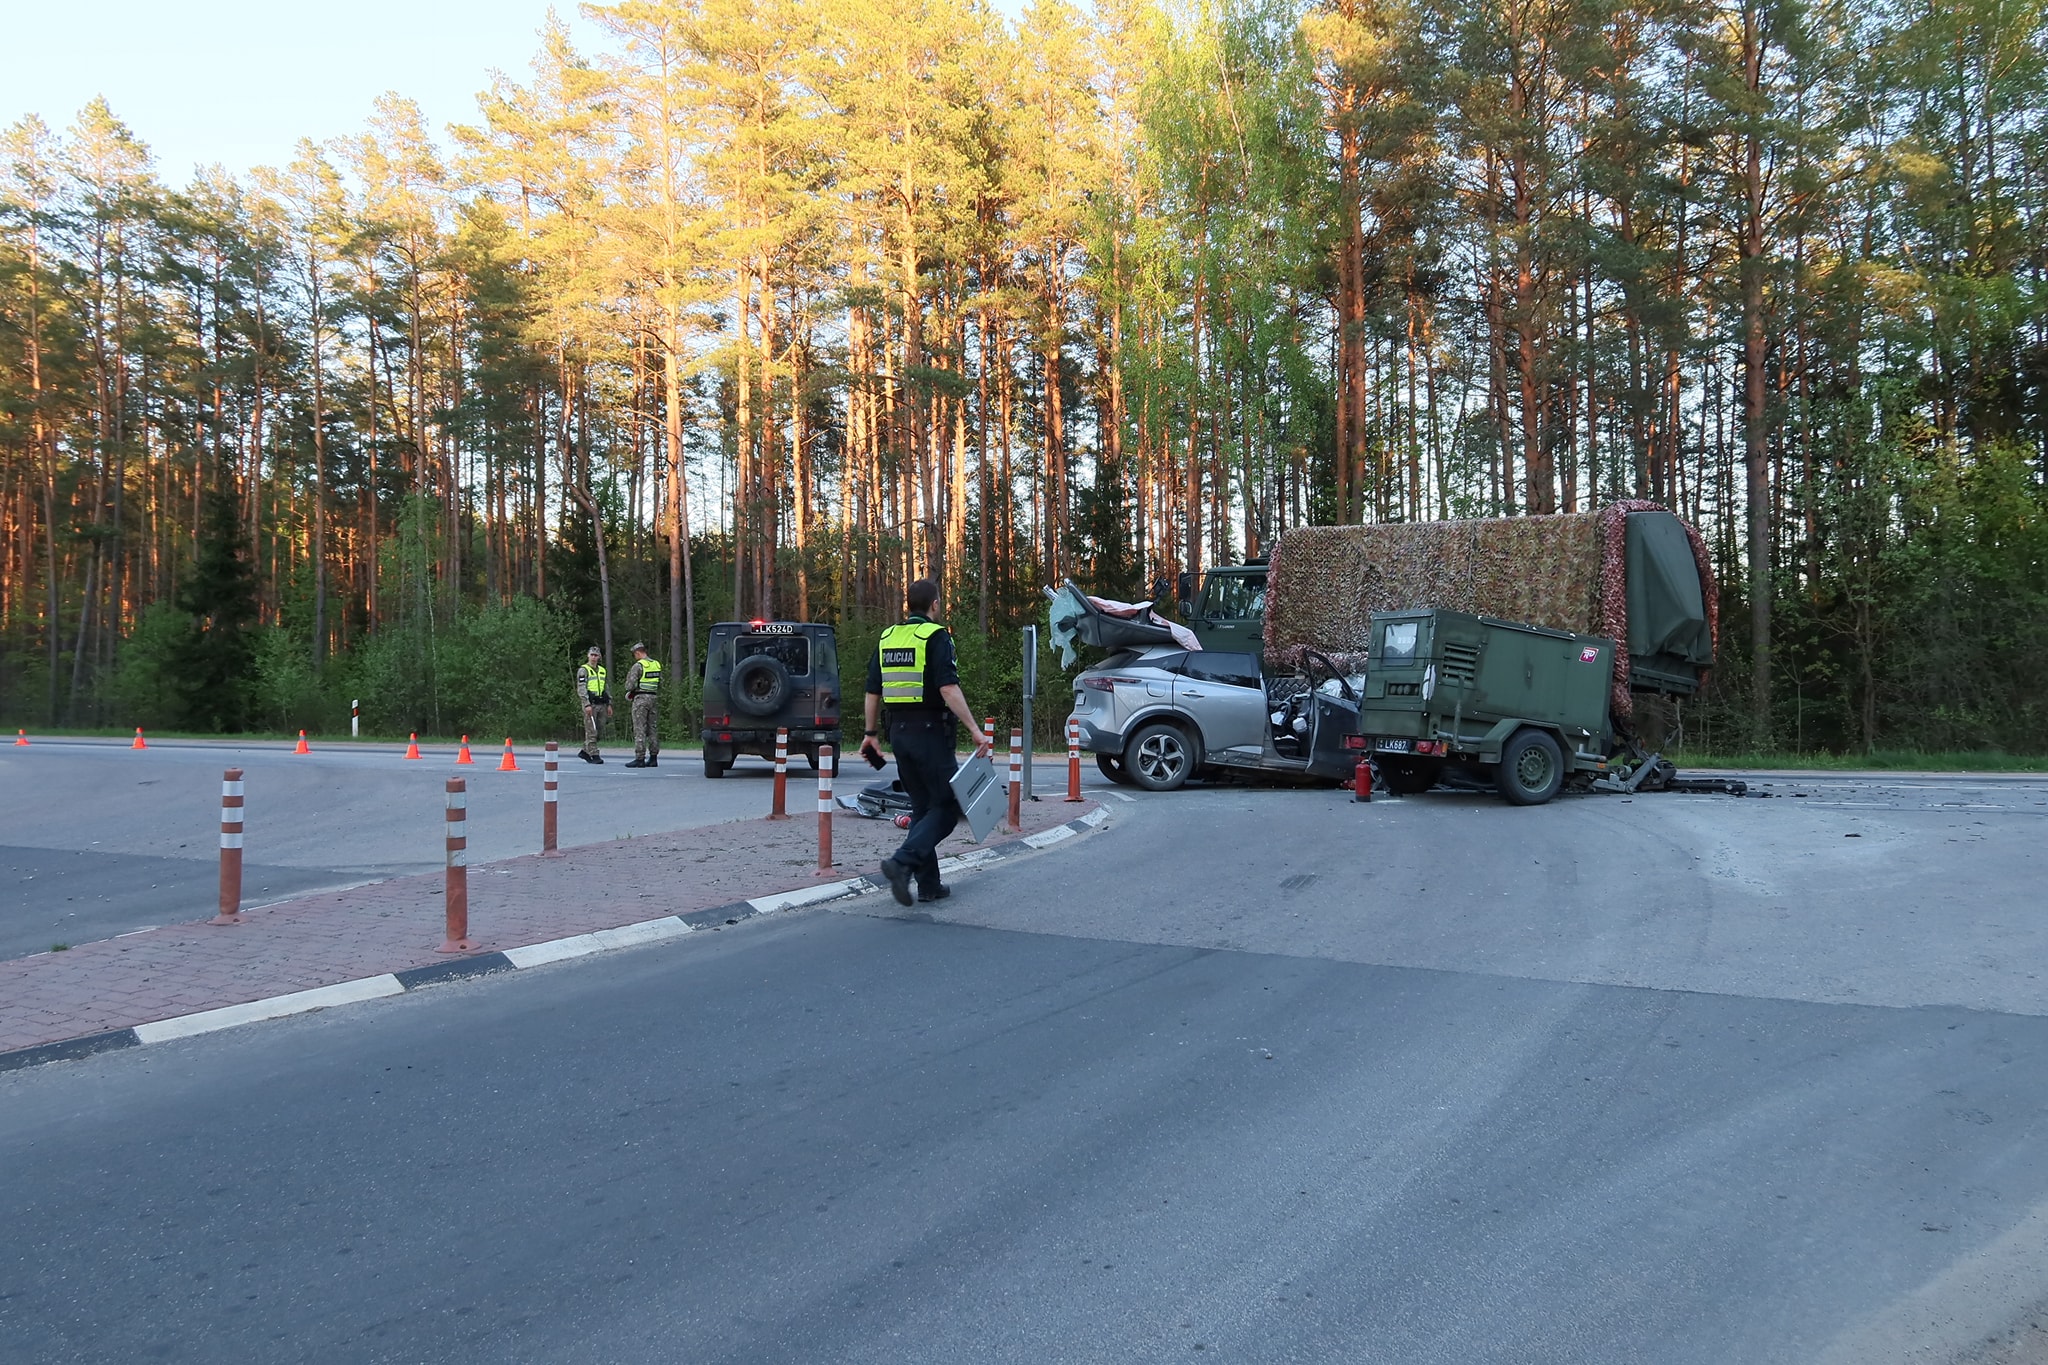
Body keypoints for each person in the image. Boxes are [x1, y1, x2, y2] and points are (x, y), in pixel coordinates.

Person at [859, 579, 989, 906]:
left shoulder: (888, 637)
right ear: (934, 605)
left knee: (921, 807)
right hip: (930, 733)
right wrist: (974, 728)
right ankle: (902, 863)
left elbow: (873, 691)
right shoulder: (936, 636)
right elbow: (948, 688)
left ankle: (929, 884)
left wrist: (870, 734)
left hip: (898, 735)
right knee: (948, 807)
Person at [622, 642, 664, 769]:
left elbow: (629, 686)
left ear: (638, 653)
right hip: (653, 698)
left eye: (634, 654)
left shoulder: (638, 666)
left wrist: (631, 691)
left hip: (640, 699)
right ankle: (653, 757)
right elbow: (661, 682)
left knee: (640, 728)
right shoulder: (656, 664)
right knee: (653, 728)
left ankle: (640, 758)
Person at [575, 647, 610, 764]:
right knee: (591, 730)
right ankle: (594, 754)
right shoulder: (583, 670)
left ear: (599, 657)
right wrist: (586, 704)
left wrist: (609, 703)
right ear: (588, 656)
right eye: (592, 655)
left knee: (599, 730)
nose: (594, 657)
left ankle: (585, 752)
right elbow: (581, 688)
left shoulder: (602, 670)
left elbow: (606, 687)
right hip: (590, 704)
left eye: (596, 655)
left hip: (601, 703)